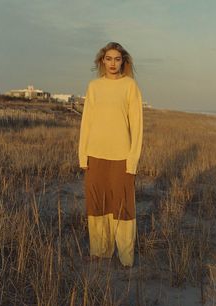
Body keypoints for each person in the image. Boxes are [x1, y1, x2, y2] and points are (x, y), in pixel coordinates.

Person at [78, 42, 143, 267]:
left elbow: (137, 126)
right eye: (108, 59)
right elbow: (86, 123)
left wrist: (132, 159)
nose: (112, 63)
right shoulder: (94, 86)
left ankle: (125, 258)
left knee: (123, 207)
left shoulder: (130, 86)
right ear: (102, 61)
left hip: (122, 156)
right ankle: (100, 251)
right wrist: (82, 155)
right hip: (95, 155)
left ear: (123, 62)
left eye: (117, 59)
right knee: (97, 205)